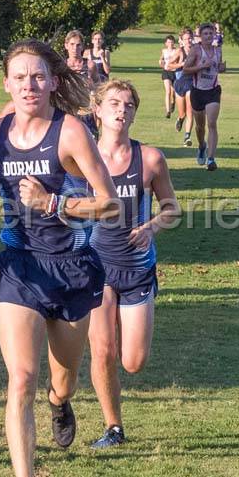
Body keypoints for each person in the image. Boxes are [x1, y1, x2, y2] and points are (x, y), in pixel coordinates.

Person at [0, 39, 119, 477]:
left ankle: (62, 404)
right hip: (21, 266)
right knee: (20, 378)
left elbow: (109, 203)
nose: (29, 85)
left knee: (61, 377)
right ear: (6, 83)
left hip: (72, 267)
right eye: (19, 77)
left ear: (52, 81)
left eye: (38, 76)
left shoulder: (70, 132)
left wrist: (53, 204)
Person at [87, 80, 179, 448]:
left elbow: (172, 208)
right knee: (102, 349)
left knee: (133, 362)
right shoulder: (82, 158)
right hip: (95, 264)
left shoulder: (150, 159)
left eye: (128, 104)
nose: (121, 110)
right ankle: (114, 427)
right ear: (97, 110)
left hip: (137, 266)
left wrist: (152, 227)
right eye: (113, 103)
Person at [181, 21, 223, 171]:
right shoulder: (196, 50)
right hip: (198, 91)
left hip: (213, 91)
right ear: (200, 36)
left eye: (211, 33)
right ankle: (201, 146)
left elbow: (218, 68)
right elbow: (185, 69)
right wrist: (201, 66)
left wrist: (222, 67)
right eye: (205, 33)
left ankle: (211, 159)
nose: (208, 36)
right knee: (200, 127)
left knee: (212, 123)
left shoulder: (218, 50)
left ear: (214, 34)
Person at [172, 28, 195, 146]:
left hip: (192, 83)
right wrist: (181, 64)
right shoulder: (179, 52)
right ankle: (180, 119)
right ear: (181, 40)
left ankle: (187, 137)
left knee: (190, 112)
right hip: (180, 83)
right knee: (183, 113)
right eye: (186, 39)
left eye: (190, 38)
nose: (189, 40)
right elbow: (168, 65)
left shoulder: (197, 50)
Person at [158, 34, 180, 119]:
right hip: (166, 72)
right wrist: (160, 62)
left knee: (173, 92)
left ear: (174, 43)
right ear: (166, 43)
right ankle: (168, 111)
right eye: (168, 42)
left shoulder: (177, 51)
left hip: (174, 72)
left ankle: (173, 102)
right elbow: (161, 59)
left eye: (171, 42)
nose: (170, 43)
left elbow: (178, 60)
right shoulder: (164, 51)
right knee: (168, 91)